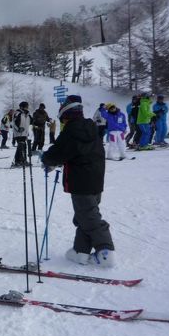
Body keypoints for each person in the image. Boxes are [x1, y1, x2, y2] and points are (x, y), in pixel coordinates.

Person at [41, 95, 114, 267]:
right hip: (95, 180)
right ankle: (80, 251)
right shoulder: (90, 128)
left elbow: (58, 152)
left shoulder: (72, 132)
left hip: (81, 182)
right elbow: (75, 152)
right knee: (84, 216)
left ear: (66, 116)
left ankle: (105, 252)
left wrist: (47, 160)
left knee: (89, 217)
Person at [12, 102, 32, 167]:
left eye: (27, 106)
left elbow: (32, 121)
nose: (27, 108)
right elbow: (13, 123)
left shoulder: (27, 114)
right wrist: (18, 129)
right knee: (21, 146)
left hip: (25, 133)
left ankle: (20, 161)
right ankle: (21, 161)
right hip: (18, 133)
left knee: (23, 146)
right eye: (26, 106)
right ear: (22, 107)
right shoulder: (17, 113)